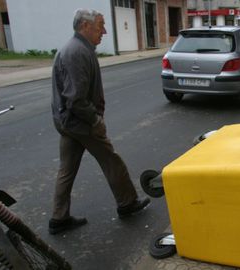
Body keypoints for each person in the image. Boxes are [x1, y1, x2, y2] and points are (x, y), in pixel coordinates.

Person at [49, 9, 150, 235]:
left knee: (66, 170)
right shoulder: (77, 53)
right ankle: (128, 203)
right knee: (111, 160)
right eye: (100, 25)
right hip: (81, 124)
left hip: (68, 123)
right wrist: (95, 120)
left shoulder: (76, 48)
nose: (104, 31)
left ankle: (58, 218)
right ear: (85, 26)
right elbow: (76, 99)